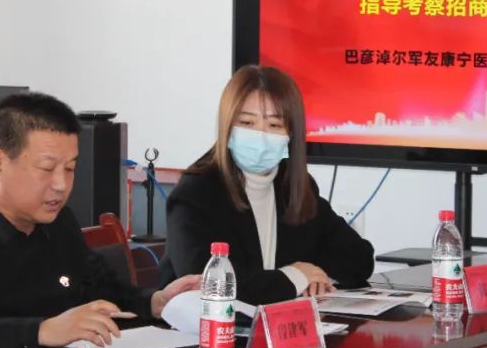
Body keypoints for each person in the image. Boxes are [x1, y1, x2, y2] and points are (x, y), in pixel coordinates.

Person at [0, 91, 200, 348]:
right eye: (47, 168)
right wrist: (42, 331)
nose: (61, 185)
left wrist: (156, 302)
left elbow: (103, 292)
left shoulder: (60, 223)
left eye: (70, 168)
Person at [160, 65, 374, 305]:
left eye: (274, 125)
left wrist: (315, 276)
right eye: (247, 123)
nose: (260, 136)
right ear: (226, 126)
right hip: (206, 325)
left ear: (291, 134)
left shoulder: (293, 186)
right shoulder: (195, 193)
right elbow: (208, 284)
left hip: (280, 323)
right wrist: (294, 277)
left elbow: (360, 258)